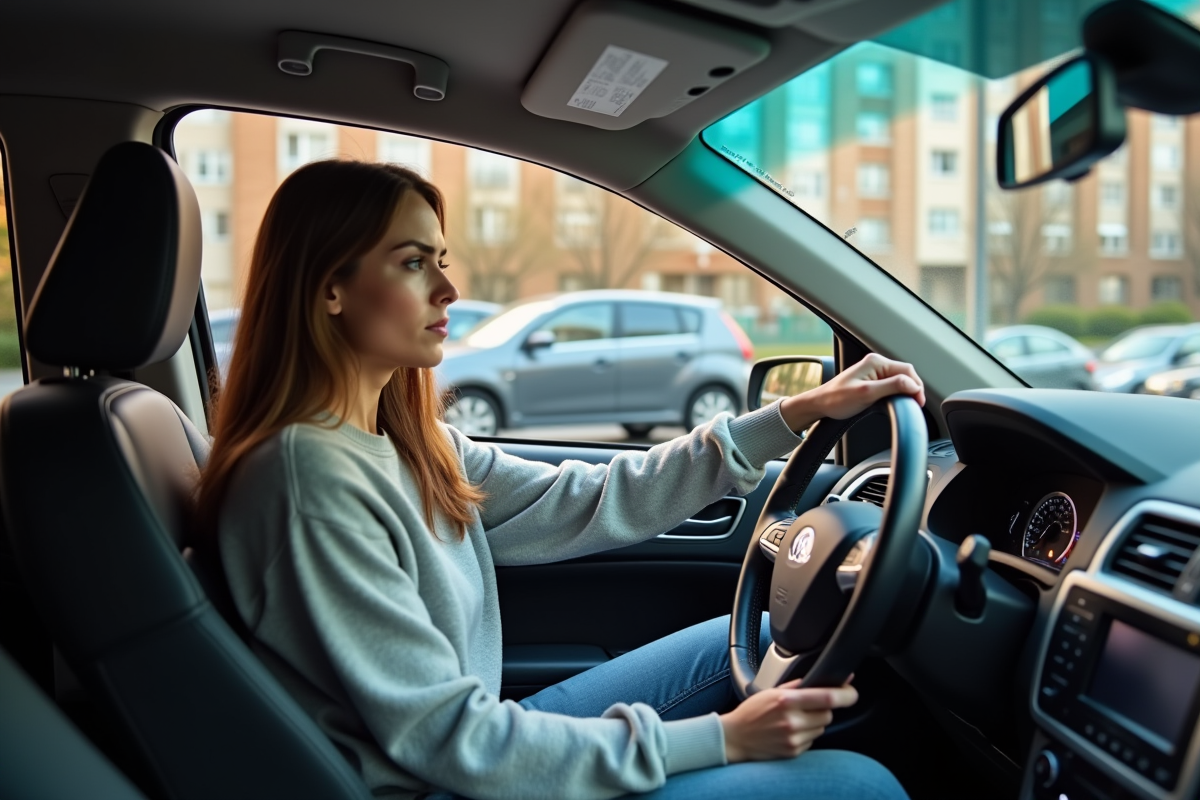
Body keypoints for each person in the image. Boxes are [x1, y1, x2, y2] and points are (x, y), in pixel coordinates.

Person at [197, 159, 923, 800]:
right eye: (414, 262)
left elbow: (598, 495)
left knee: (762, 637)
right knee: (861, 786)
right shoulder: (307, 483)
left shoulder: (406, 442)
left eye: (441, 259)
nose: (449, 288)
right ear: (330, 289)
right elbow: (451, 738)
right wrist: (722, 740)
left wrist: (796, 412)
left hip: (463, 751)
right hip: (434, 783)